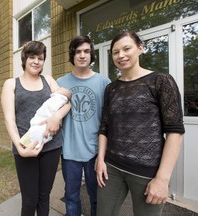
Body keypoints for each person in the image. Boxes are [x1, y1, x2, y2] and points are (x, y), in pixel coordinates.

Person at [95, 31, 185, 216]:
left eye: (126, 48)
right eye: (115, 52)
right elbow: (104, 127)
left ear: (140, 48)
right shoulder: (111, 89)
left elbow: (175, 132)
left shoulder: (161, 81)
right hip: (111, 167)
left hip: (147, 171)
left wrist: (162, 178)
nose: (121, 55)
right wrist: (100, 159)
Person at [1, 41, 71, 216]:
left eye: (40, 58)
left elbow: (66, 102)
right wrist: (19, 148)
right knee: (30, 198)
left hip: (51, 146)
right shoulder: (11, 84)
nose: (36, 61)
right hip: (25, 147)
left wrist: (56, 117)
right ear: (24, 59)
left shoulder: (48, 80)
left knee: (44, 195)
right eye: (32, 57)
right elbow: (9, 119)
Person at [57, 35, 111, 216]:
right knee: (71, 196)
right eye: (78, 51)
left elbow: (108, 119)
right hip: (69, 151)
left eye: (86, 51)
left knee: (96, 196)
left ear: (91, 55)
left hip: (95, 152)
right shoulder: (61, 83)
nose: (82, 55)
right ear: (72, 55)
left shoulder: (104, 82)